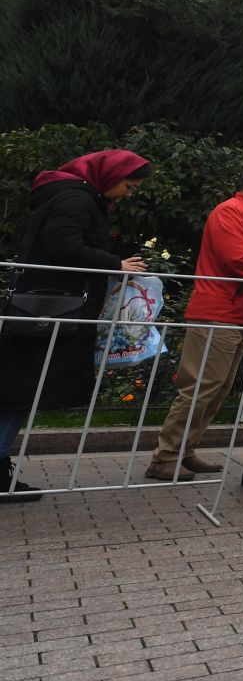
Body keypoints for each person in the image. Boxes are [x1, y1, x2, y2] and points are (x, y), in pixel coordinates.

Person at [1, 149, 153, 502]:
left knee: (15, 391)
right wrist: (116, 264)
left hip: (42, 310)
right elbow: (64, 247)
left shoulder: (71, 196)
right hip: (50, 313)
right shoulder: (76, 200)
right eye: (129, 187)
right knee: (15, 393)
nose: (129, 195)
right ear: (110, 175)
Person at [146, 160, 243, 483]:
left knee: (216, 390)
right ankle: (164, 458)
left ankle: (184, 450)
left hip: (240, 314)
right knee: (200, 388)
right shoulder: (230, 212)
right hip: (218, 313)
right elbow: (242, 260)